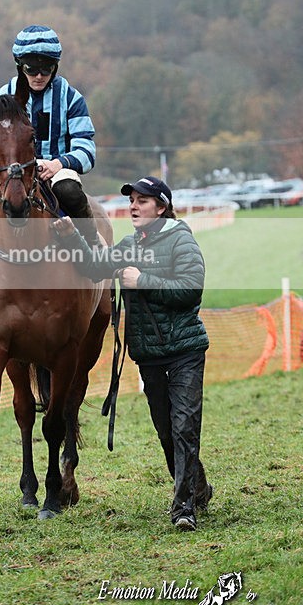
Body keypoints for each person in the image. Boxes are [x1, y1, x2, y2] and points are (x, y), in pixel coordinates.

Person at [53, 176, 212, 532]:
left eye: (142, 201)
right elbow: (94, 266)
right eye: (132, 201)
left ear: (162, 207)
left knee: (184, 427)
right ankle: (199, 487)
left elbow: (191, 289)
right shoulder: (130, 244)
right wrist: (71, 236)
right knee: (166, 432)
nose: (134, 207)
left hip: (185, 351)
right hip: (149, 355)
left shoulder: (181, 238)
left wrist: (142, 281)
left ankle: (183, 508)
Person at [0, 24, 98, 278]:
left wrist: (58, 164)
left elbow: (87, 149)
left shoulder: (71, 98)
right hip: (15, 170)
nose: (39, 76)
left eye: (47, 68)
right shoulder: (1, 97)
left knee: (70, 191)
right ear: (19, 66)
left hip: (57, 170)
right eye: (31, 69)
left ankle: (94, 247)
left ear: (56, 67)